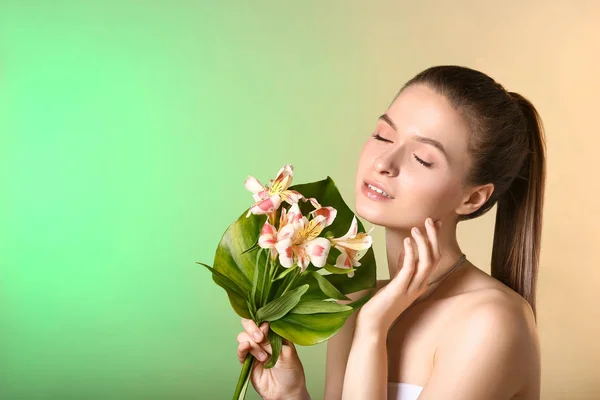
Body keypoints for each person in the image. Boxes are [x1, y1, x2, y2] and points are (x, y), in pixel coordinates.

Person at [235, 65, 546, 400]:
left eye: (422, 158)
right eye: (383, 135)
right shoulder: (358, 300)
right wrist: (291, 395)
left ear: (472, 198)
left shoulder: (491, 323)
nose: (384, 162)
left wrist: (372, 331)